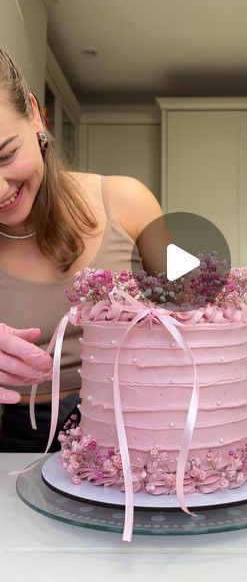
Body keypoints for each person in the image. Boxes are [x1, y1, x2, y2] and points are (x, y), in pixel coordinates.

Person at [0, 47, 167, 451]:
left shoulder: (128, 201)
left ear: (36, 115)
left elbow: (197, 299)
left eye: (5, 156)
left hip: (135, 428)